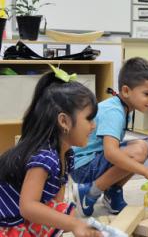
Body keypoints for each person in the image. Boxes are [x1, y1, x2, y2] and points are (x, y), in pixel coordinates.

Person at [0, 68, 101, 236]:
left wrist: (75, 224)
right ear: (64, 121)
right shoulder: (44, 157)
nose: (93, 126)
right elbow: (28, 207)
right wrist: (75, 225)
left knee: (63, 211)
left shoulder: (67, 155)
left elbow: (55, 201)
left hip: (16, 212)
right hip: (5, 219)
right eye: (89, 119)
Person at [71, 57, 148, 216]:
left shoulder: (123, 108)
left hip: (91, 160)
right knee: (139, 150)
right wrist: (147, 172)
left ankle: (112, 192)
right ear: (126, 91)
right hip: (83, 167)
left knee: (137, 148)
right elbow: (111, 153)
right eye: (147, 93)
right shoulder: (115, 112)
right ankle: (90, 192)